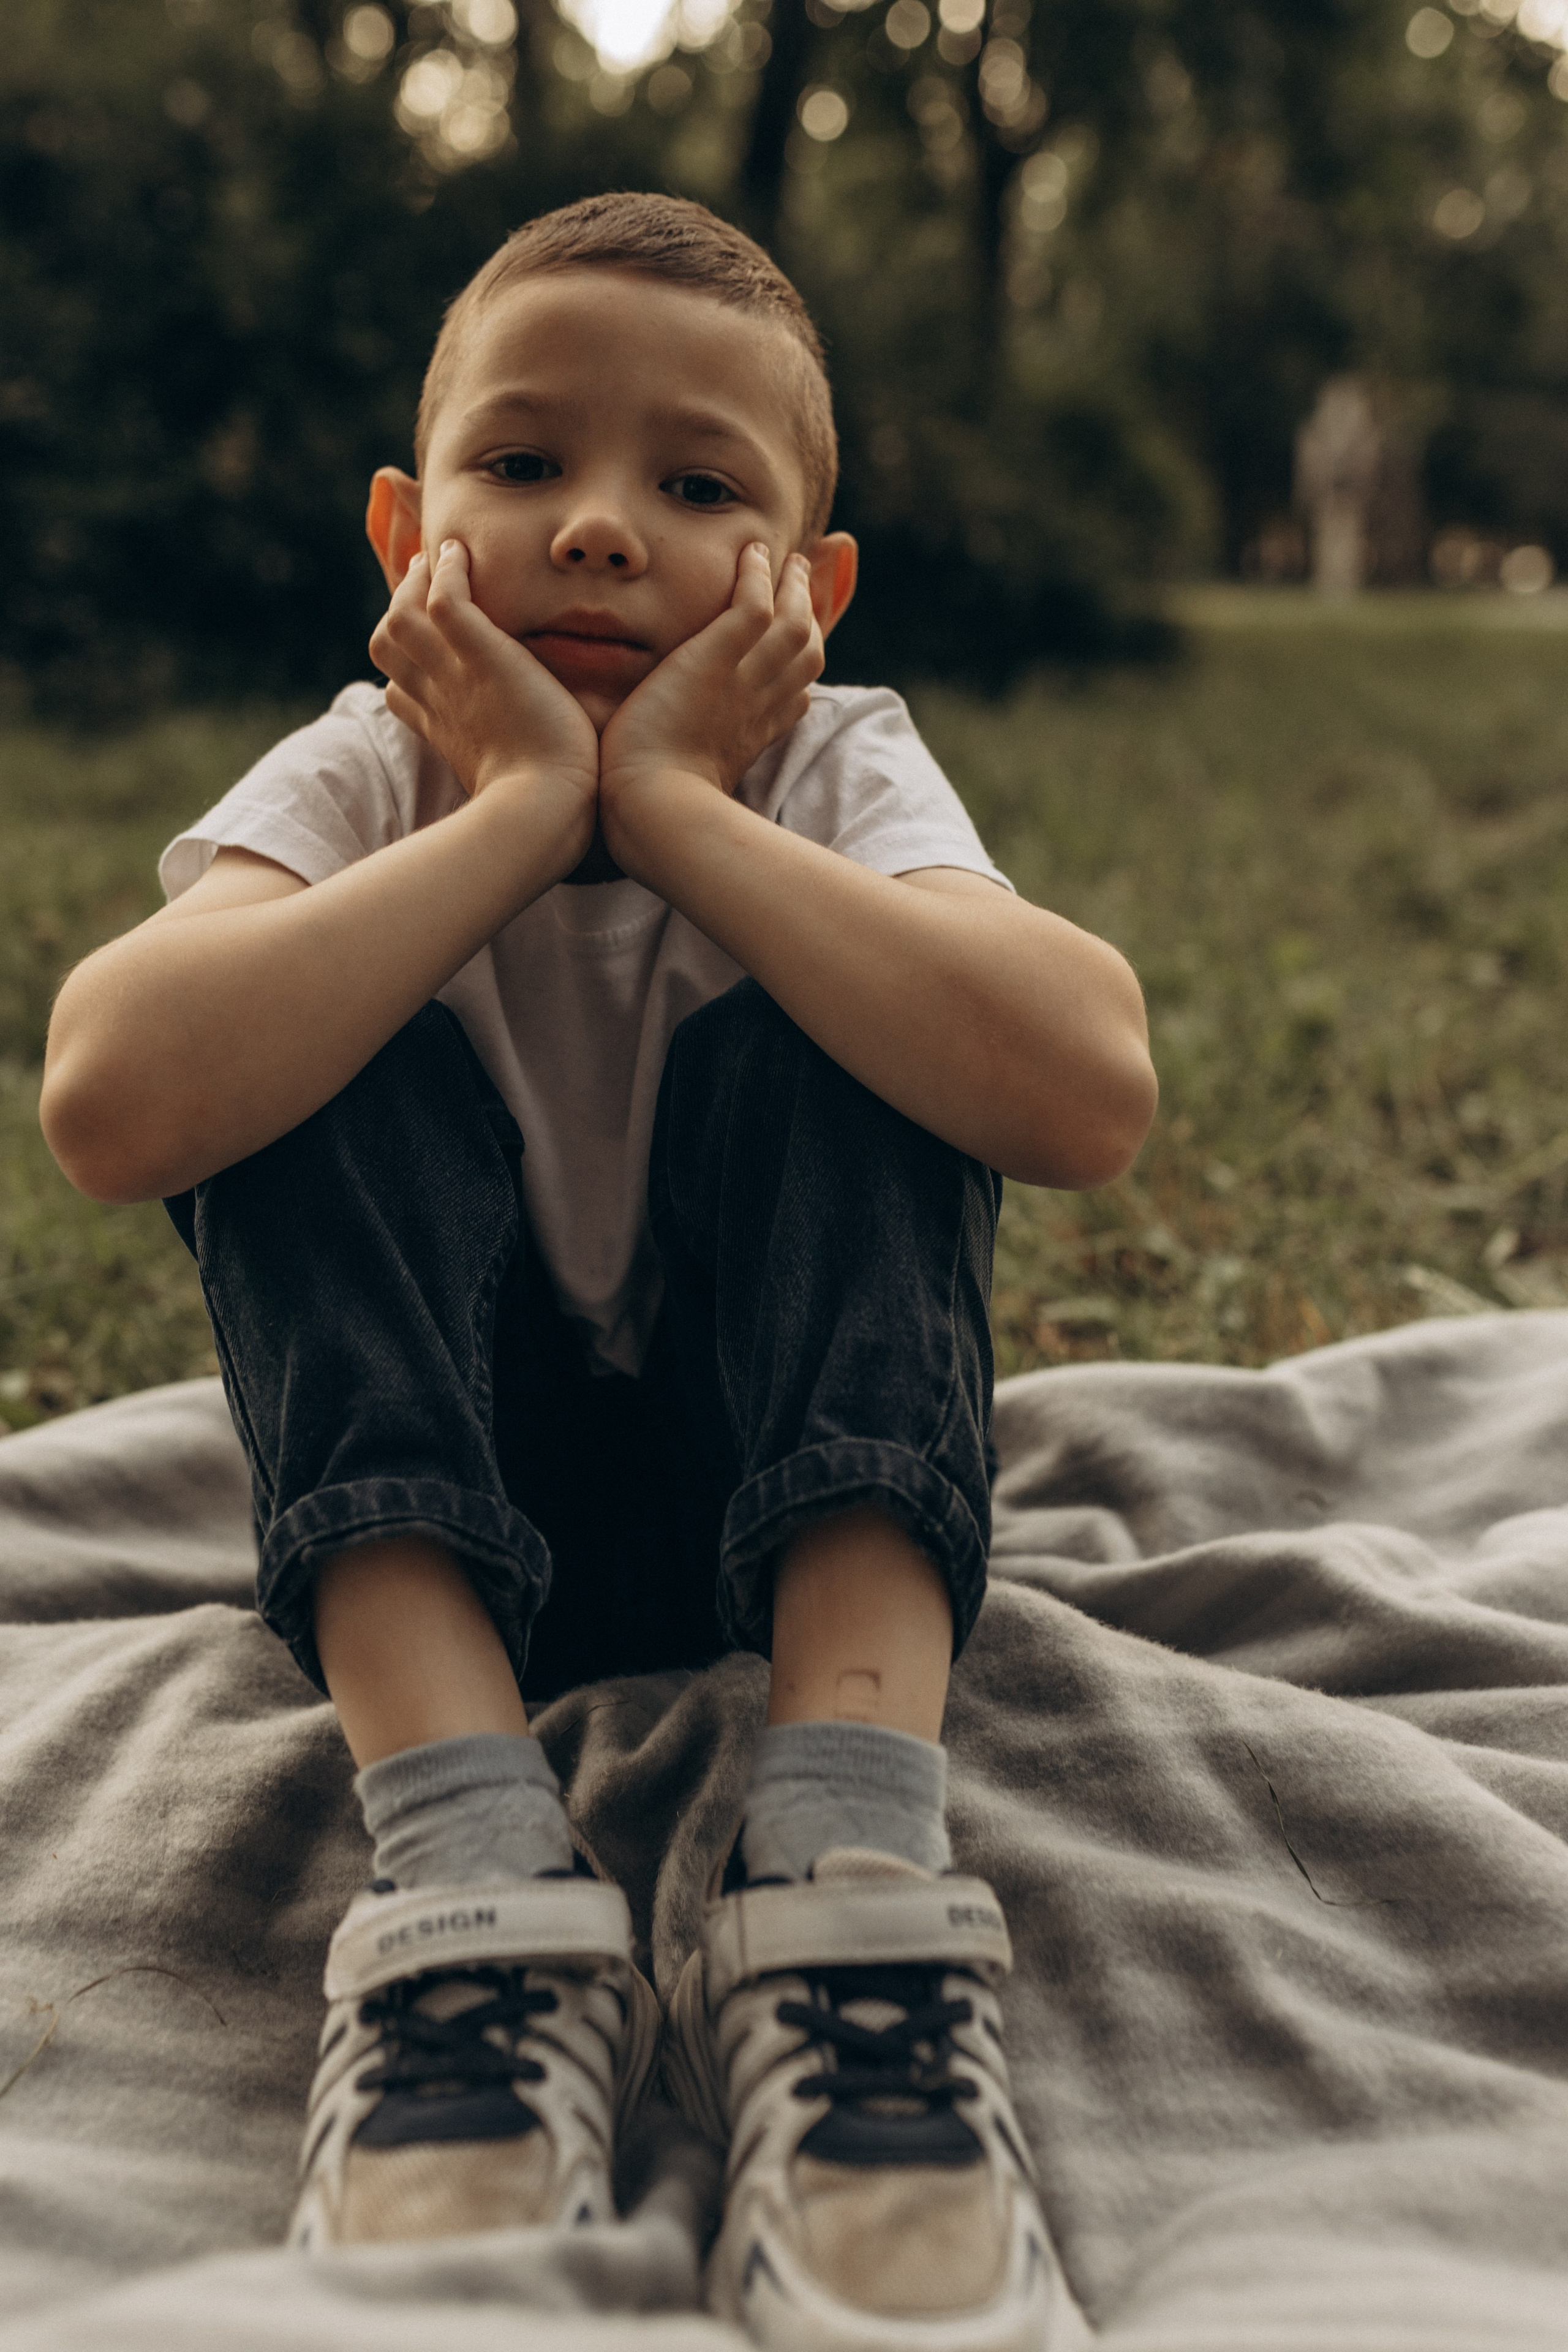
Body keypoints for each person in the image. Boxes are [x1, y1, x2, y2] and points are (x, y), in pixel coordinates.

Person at [40, 194, 1156, 2349]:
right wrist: (517, 817)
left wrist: (682, 813)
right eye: (525, 465)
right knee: (284, 1044)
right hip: (457, 1534)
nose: (601, 534)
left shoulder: (835, 766)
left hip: (791, 1516)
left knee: (886, 1027)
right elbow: (110, 1095)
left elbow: (1088, 1088)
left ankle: (844, 1879)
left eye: (698, 486)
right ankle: (477, 1877)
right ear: (409, 534)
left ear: (810, 589)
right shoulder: (370, 771)